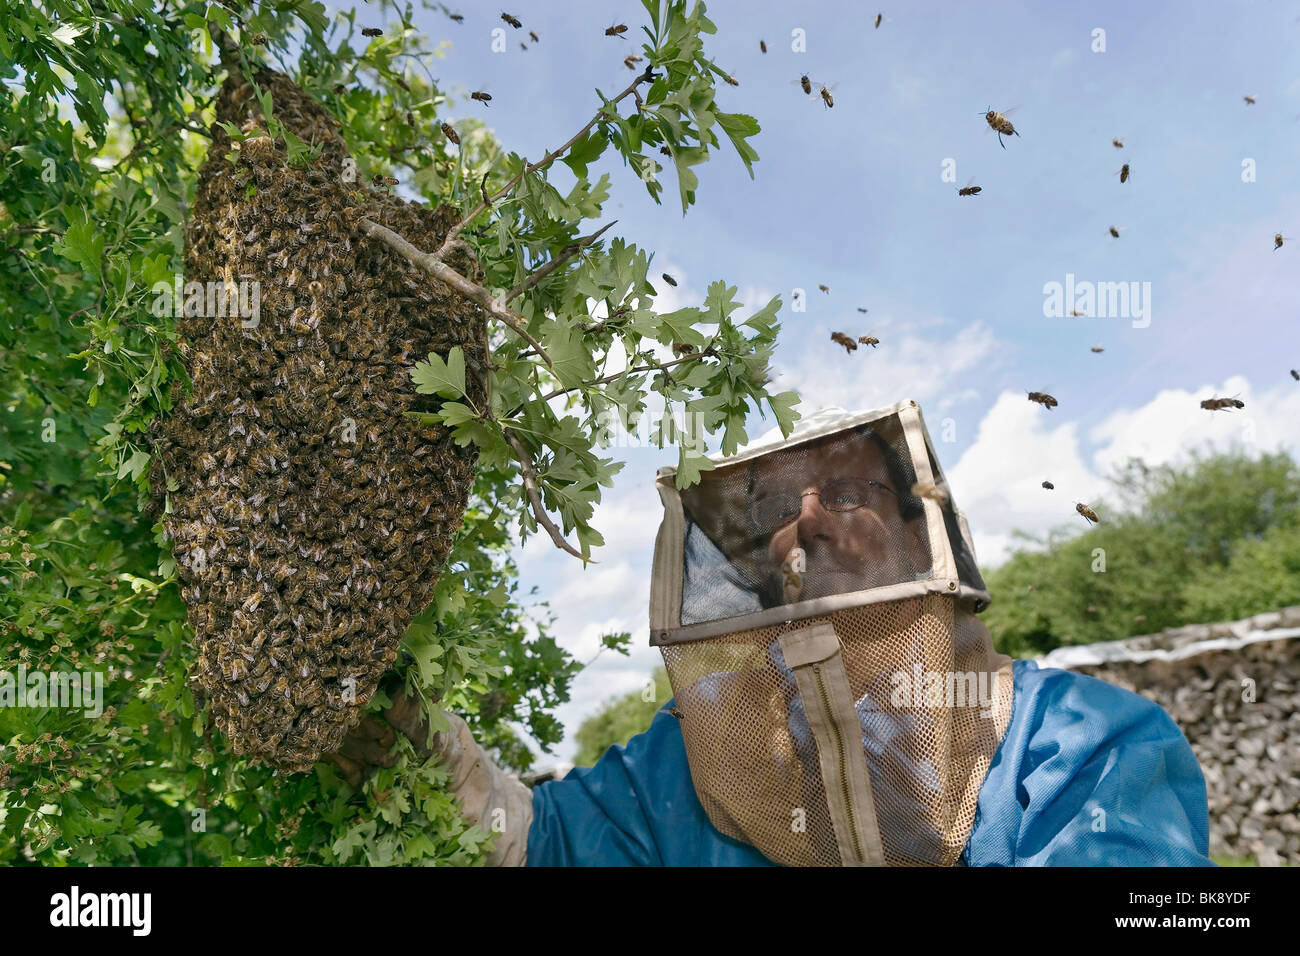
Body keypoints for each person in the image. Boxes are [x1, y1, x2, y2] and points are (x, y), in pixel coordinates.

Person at [330, 402, 1213, 866]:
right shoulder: (684, 767)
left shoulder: (1085, 743)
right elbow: (545, 843)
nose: (808, 525)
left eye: (849, 494)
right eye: (773, 516)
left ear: (922, 532)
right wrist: (442, 763)